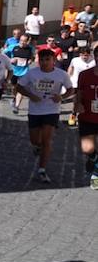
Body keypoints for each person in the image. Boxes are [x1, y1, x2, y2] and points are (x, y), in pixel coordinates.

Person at [15, 49, 76, 183]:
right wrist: (31, 95)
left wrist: (62, 97)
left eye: (47, 59)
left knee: (47, 140)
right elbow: (18, 87)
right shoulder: (32, 73)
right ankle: (36, 147)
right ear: (38, 60)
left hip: (51, 110)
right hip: (35, 111)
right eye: (42, 60)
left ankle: (42, 169)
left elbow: (71, 89)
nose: (44, 62)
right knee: (35, 140)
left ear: (53, 60)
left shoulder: (61, 74)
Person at [73, 64, 98, 189]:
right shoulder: (85, 74)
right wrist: (76, 106)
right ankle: (93, 158)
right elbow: (79, 93)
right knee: (87, 148)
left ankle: (96, 175)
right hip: (87, 116)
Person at [67, 47, 96, 126]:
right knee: (76, 100)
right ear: (80, 54)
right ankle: (73, 115)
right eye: (83, 55)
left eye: (86, 55)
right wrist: (68, 78)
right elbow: (70, 68)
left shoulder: (93, 61)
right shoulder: (75, 60)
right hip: (76, 83)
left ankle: (87, 117)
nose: (84, 57)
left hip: (88, 84)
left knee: (88, 101)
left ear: (90, 55)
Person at [10, 33, 35, 114]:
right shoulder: (14, 46)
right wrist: (11, 60)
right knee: (14, 87)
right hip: (14, 71)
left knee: (20, 88)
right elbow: (3, 53)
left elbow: (32, 57)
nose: (22, 42)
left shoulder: (30, 48)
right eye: (21, 40)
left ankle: (17, 106)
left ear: (27, 41)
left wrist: (31, 60)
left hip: (24, 71)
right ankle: (14, 97)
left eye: (24, 41)